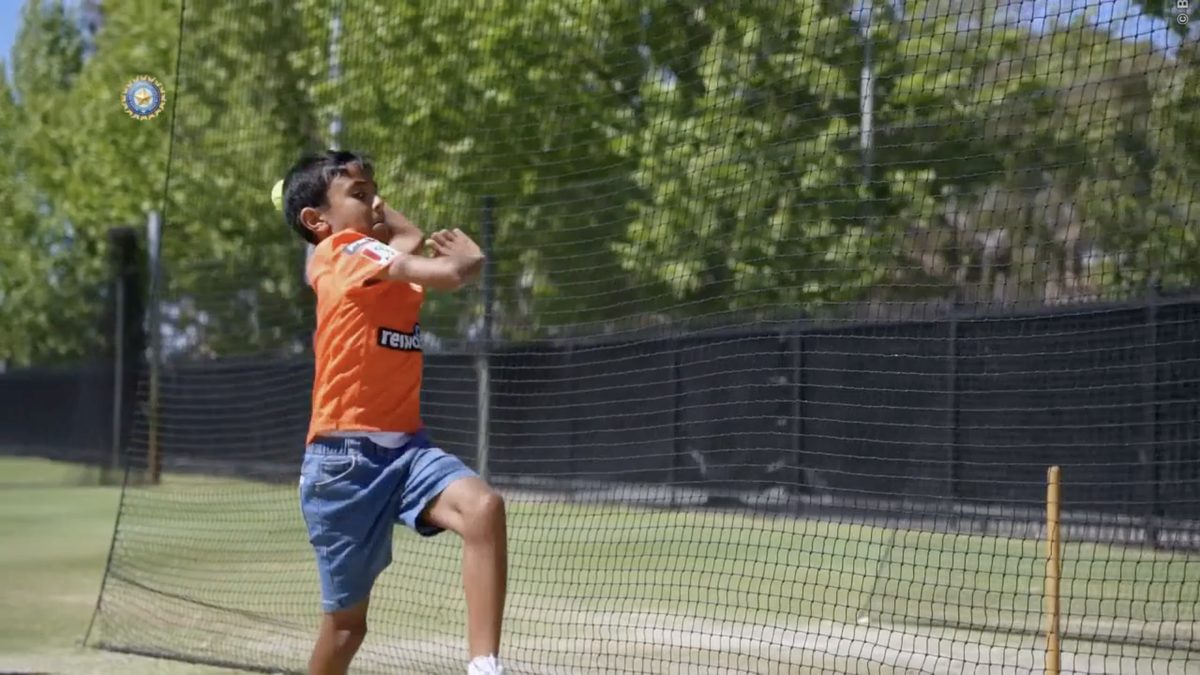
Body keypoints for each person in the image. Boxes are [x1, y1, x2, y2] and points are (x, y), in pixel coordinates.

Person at [279, 150, 508, 675]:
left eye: (375, 191)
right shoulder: (342, 251)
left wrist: (366, 196)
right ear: (317, 222)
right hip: (343, 466)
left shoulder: (379, 268)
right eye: (360, 196)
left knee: (482, 508)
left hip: (407, 450)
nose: (377, 203)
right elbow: (448, 271)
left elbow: (409, 239)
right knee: (345, 629)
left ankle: (485, 668)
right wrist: (470, 262)